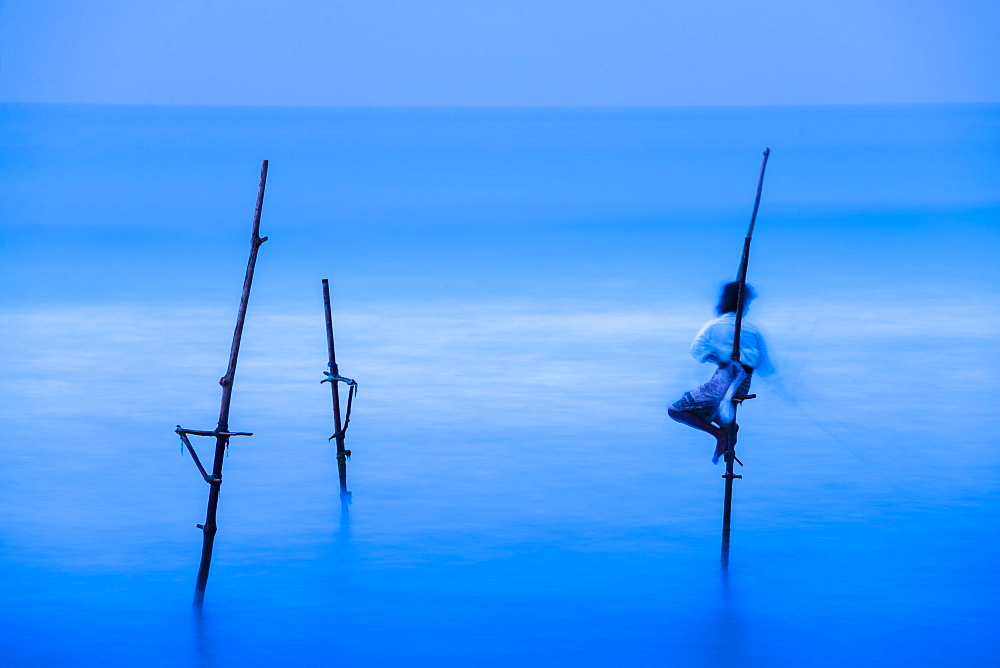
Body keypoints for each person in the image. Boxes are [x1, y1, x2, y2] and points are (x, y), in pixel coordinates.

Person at [668, 281, 772, 463]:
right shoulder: (752, 330)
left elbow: (696, 349)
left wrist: (719, 358)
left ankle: (720, 433)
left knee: (676, 410)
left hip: (725, 378)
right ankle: (726, 427)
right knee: (709, 404)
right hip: (744, 381)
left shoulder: (715, 325)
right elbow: (762, 362)